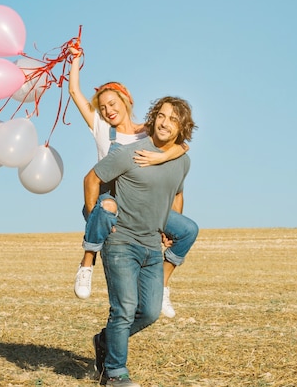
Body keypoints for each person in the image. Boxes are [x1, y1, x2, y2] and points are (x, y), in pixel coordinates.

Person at [68, 46, 198, 318]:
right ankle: (87, 262)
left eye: (112, 104)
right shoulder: (101, 127)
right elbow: (74, 94)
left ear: (126, 101)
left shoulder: (148, 132)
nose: (107, 110)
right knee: (106, 209)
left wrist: (158, 160)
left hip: (144, 202)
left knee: (187, 230)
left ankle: (162, 285)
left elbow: (182, 146)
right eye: (103, 107)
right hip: (109, 198)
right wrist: (75, 61)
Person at [86, 96, 197, 386]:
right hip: (121, 241)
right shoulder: (128, 153)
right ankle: (114, 374)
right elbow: (92, 178)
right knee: (123, 309)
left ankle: (106, 340)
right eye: (161, 115)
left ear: (182, 127)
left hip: (151, 245)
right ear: (152, 117)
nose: (164, 123)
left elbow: (176, 194)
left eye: (173, 119)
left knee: (148, 312)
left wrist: (169, 228)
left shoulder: (182, 161)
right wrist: (93, 217)